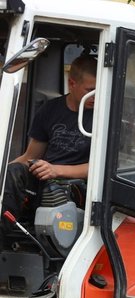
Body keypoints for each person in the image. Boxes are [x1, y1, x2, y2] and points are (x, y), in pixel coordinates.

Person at [3, 55, 97, 223]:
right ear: (72, 83)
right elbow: (29, 157)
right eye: (89, 90)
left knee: (52, 190)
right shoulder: (50, 110)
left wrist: (56, 170)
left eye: (98, 91)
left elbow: (99, 169)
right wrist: (4, 174)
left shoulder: (102, 117)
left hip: (76, 186)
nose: (95, 96)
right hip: (44, 177)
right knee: (14, 173)